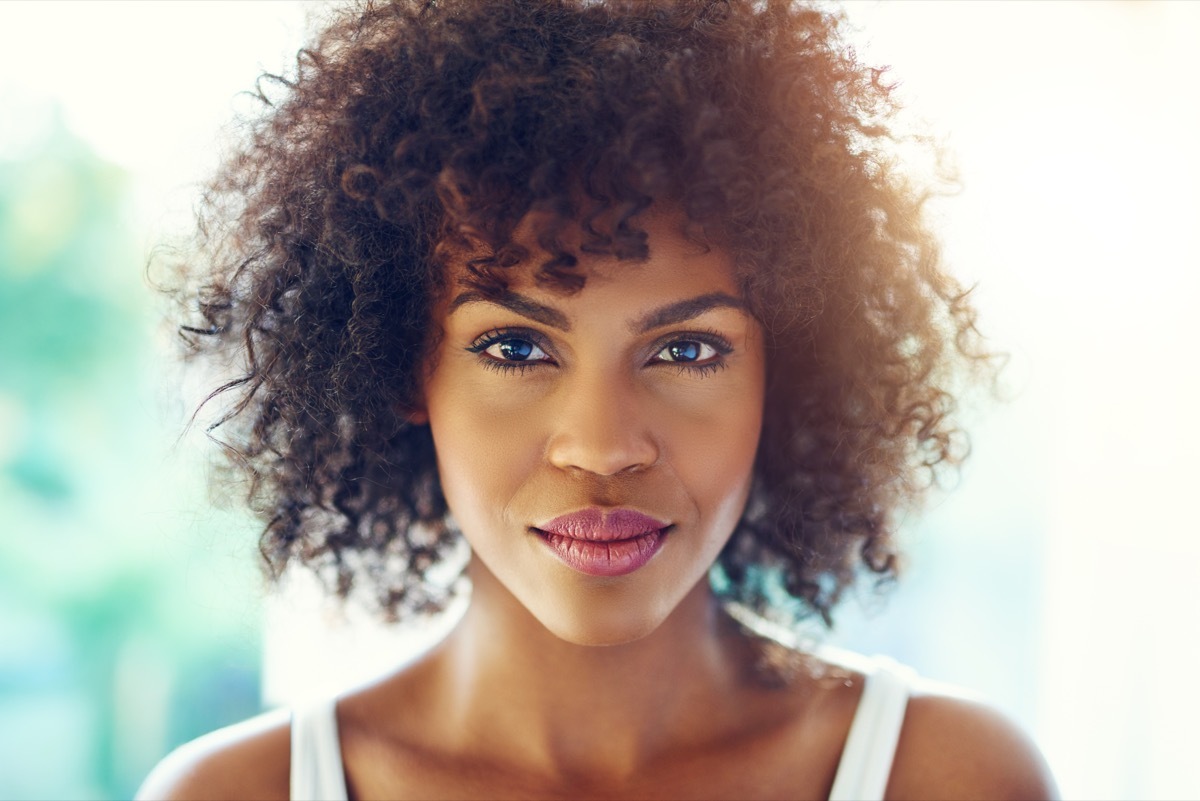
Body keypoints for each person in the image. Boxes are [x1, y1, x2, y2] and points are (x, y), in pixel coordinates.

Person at [139, 0, 1058, 798]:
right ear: (403, 365)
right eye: (515, 345)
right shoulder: (233, 794)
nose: (603, 445)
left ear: (793, 369)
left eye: (688, 348)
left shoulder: (948, 779)